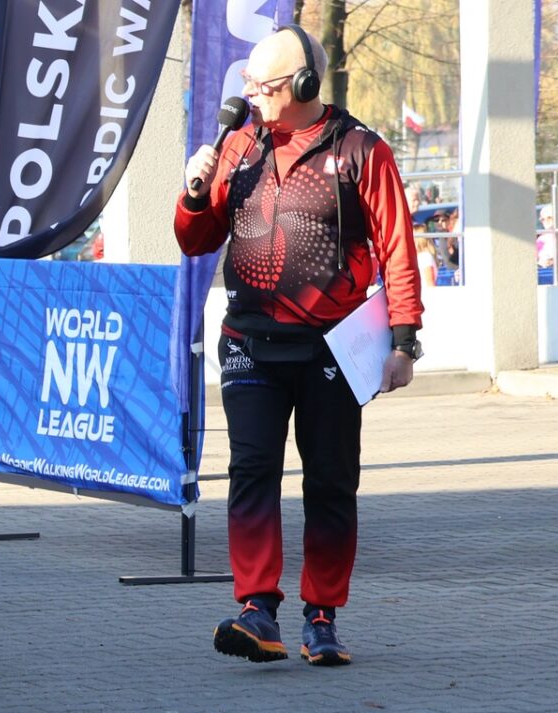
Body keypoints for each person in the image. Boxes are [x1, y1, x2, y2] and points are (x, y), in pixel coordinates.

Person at [175, 25, 423, 666]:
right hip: (249, 342)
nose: (251, 95)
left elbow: (397, 247)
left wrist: (404, 340)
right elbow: (195, 240)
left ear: (305, 85)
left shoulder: (362, 150)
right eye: (248, 84)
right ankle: (257, 609)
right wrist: (196, 191)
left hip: (333, 350)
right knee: (251, 471)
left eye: (265, 85)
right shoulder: (239, 147)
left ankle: (322, 616)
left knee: (331, 482)